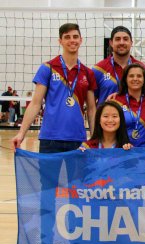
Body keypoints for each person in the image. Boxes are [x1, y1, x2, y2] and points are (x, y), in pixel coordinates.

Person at [12, 23, 97, 153]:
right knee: (48, 175)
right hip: (50, 138)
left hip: (77, 138)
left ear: (81, 40)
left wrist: (95, 139)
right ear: (60, 41)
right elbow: (35, 103)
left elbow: (91, 109)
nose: (72, 40)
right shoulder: (48, 68)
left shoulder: (87, 73)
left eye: (75, 36)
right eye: (67, 37)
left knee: (77, 175)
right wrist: (21, 133)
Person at [93, 26, 145, 105]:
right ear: (111, 43)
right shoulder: (98, 70)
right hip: (107, 116)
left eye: (125, 39)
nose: (122, 42)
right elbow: (91, 104)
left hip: (133, 117)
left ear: (131, 43)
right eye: (117, 39)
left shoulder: (143, 69)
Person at [112, 63, 145, 147]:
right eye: (131, 76)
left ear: (144, 80)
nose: (135, 79)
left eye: (139, 76)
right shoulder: (115, 100)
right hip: (123, 151)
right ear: (125, 79)